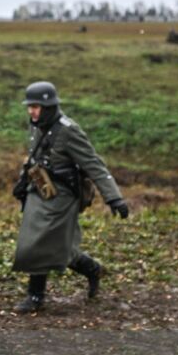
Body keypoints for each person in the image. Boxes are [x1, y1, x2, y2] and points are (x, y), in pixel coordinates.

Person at [10, 80, 128, 313]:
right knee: (36, 242)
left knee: (50, 245)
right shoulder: (36, 125)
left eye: (36, 106)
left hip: (63, 197)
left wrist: (114, 198)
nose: (31, 111)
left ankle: (41, 293)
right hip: (39, 191)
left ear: (49, 106)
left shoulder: (68, 130)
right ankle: (78, 276)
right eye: (29, 106)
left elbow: (94, 164)